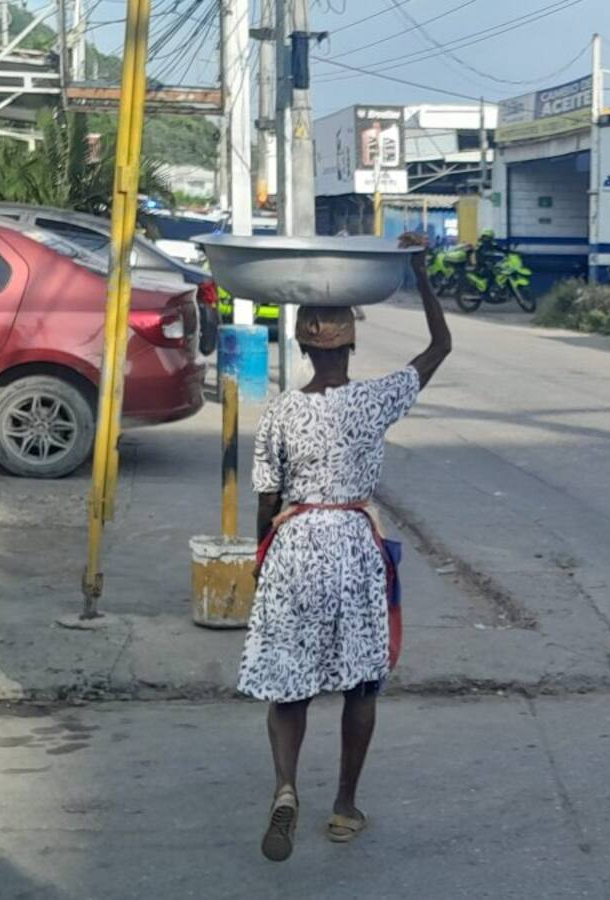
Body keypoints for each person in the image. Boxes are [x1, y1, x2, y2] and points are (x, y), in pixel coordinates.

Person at [237, 232, 452, 862]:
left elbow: (265, 501)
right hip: (354, 544)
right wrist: (419, 272)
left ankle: (284, 786)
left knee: (291, 685)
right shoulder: (376, 399)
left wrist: (262, 562)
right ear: (350, 343)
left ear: (303, 344)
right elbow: (441, 345)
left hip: (295, 542)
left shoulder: (278, 413)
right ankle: (343, 808)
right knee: (361, 684)